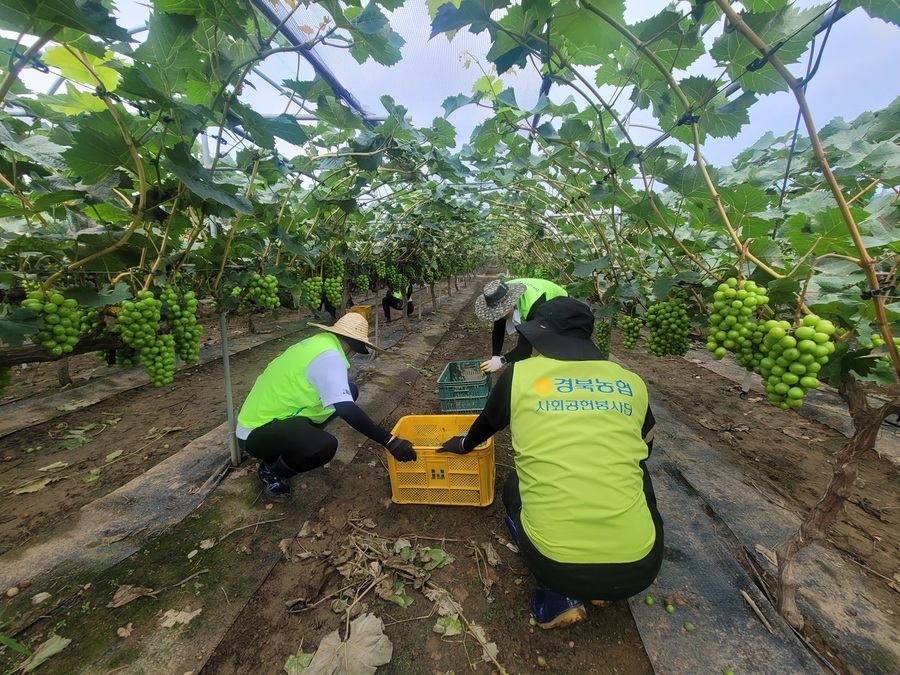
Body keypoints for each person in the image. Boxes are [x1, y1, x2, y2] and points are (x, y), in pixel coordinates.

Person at [439, 297, 663, 629]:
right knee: (639, 473)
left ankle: (560, 595)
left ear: (542, 337)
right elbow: (646, 444)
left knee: (513, 487)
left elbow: (486, 425)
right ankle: (606, 589)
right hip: (640, 566)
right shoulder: (629, 381)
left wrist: (462, 444)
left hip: (558, 564)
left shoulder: (519, 375)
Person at [235, 313, 417, 501]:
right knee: (324, 446)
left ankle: (301, 443)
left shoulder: (319, 343)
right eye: (357, 351)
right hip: (255, 433)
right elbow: (345, 409)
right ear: (352, 346)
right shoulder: (330, 357)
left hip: (279, 417)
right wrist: (390, 441)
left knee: (350, 391)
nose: (354, 356)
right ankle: (270, 471)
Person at [474, 278, 567, 373]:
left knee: (544, 346)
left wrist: (502, 360)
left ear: (511, 303)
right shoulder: (498, 292)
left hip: (559, 305)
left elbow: (526, 347)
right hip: (534, 299)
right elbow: (499, 328)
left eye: (502, 312)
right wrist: (495, 356)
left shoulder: (533, 307)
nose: (500, 316)